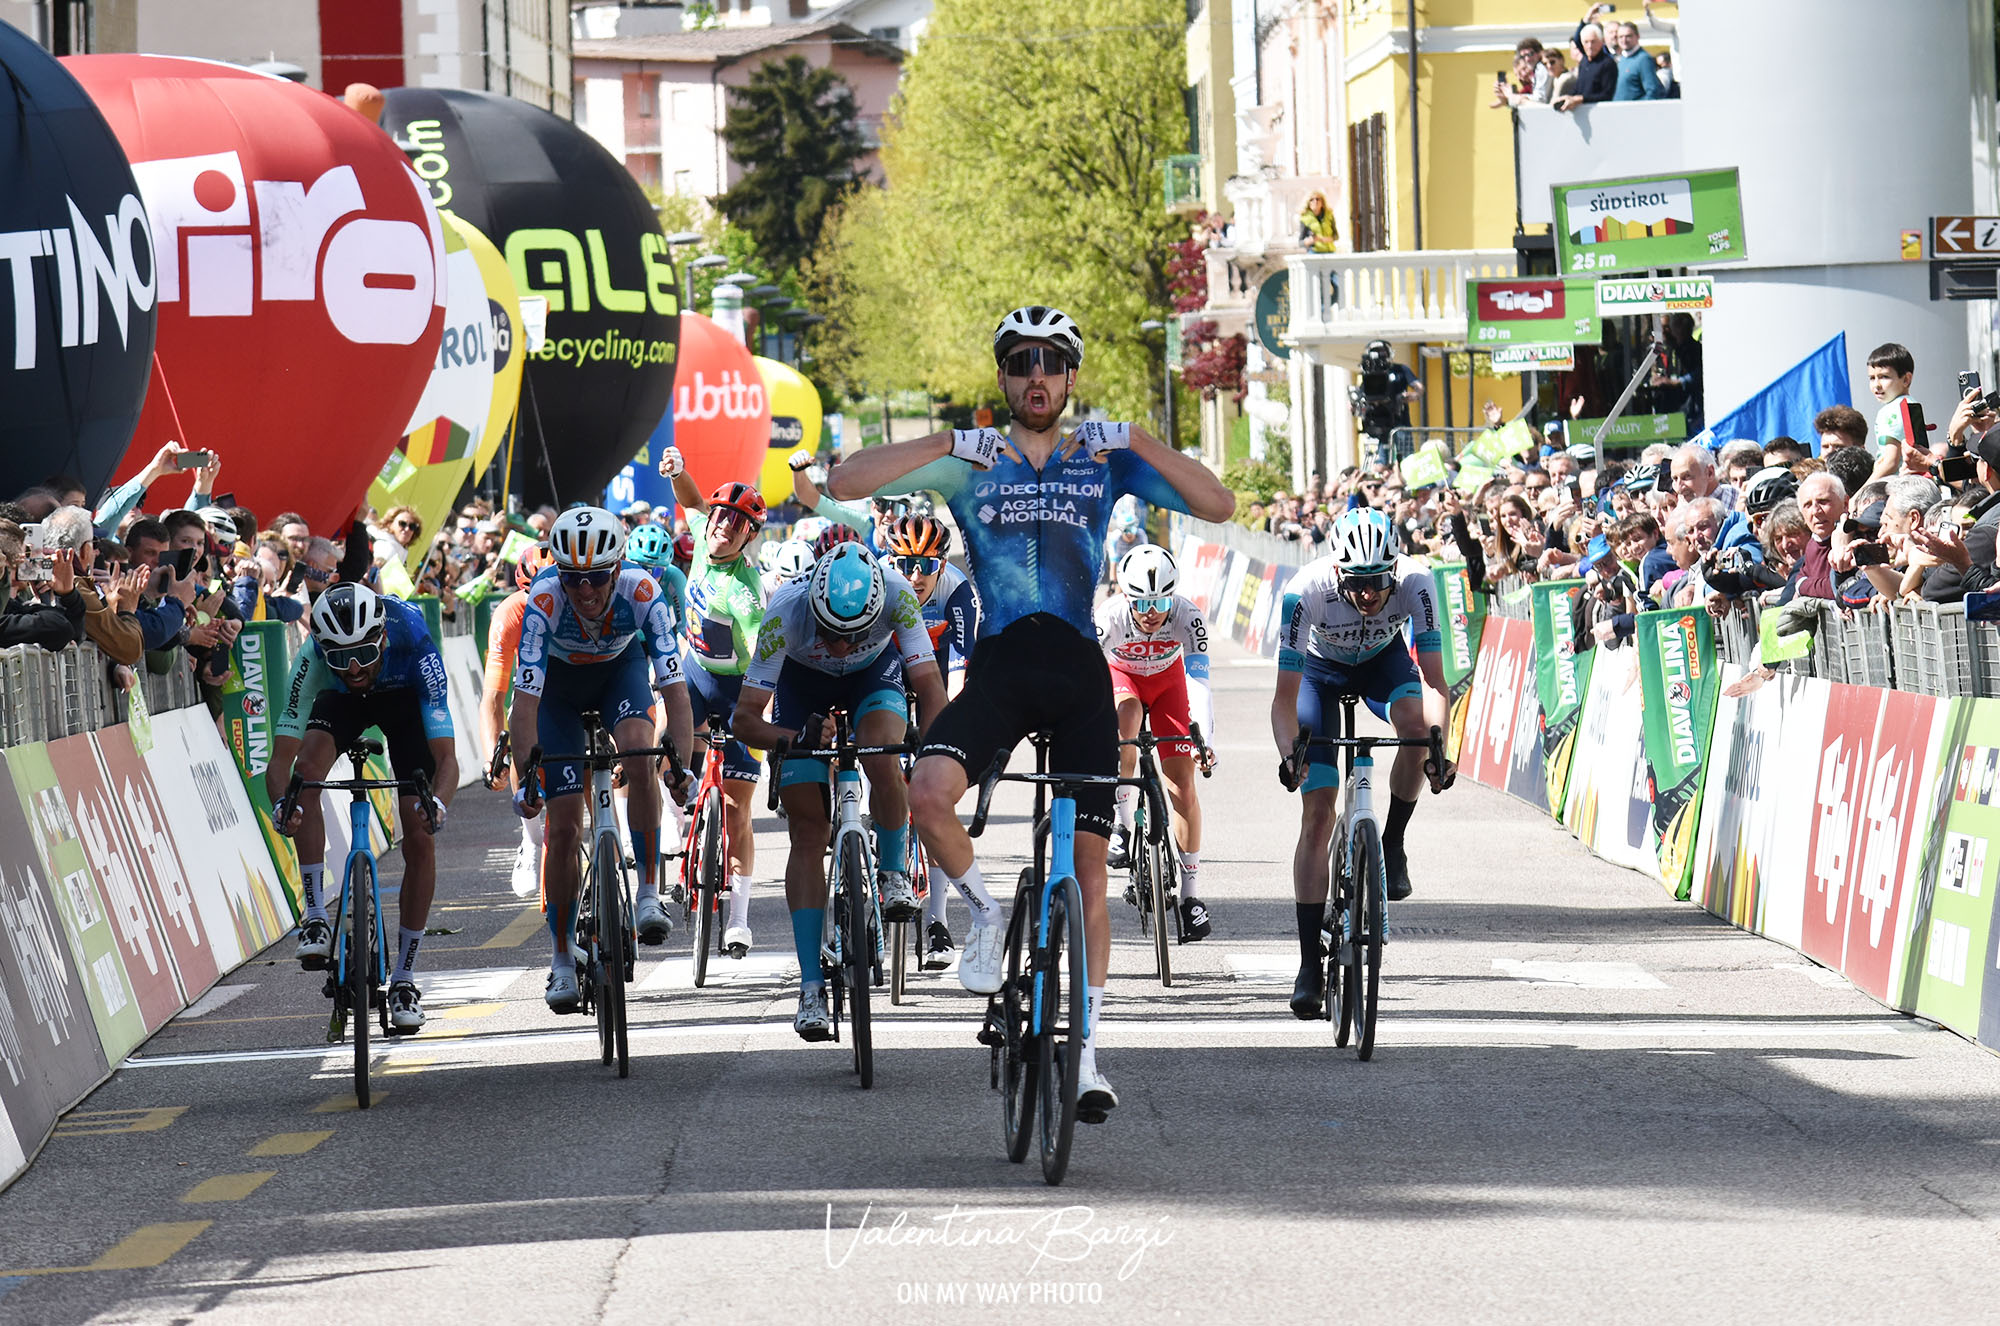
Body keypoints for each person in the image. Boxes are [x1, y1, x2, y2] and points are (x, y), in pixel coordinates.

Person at [827, 303, 1235, 1119]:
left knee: (1087, 871)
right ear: (1004, 376)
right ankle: (983, 916)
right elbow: (843, 482)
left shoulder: (1100, 459)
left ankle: (1086, 1053)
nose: (1036, 376)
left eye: (1051, 362)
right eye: (1020, 363)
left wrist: (1140, 442)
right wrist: (947, 443)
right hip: (1004, 667)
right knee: (929, 795)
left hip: (1081, 670)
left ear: (1072, 375)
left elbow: (1218, 504)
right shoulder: (971, 462)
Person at [729, 542, 947, 1040]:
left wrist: (938, 757)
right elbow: (744, 719)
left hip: (874, 679)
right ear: (814, 609)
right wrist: (797, 738)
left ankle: (892, 874)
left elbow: (931, 687)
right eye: (833, 633)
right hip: (801, 687)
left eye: (856, 634)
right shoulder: (784, 611)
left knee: (884, 751)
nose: (844, 646)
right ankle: (809, 987)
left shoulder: (897, 594)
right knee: (808, 831)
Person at [507, 507, 693, 1013]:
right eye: (573, 577)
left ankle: (650, 892)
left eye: (595, 577)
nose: (584, 590)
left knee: (638, 752)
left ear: (617, 569)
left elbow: (676, 692)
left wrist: (680, 765)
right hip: (559, 693)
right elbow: (523, 705)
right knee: (563, 825)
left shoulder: (643, 592)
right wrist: (525, 779)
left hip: (620, 675)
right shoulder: (545, 598)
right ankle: (562, 957)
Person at [1273, 508, 1454, 1020]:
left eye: (1378, 583)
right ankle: (1310, 964)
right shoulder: (1304, 589)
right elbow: (1284, 698)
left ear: (1393, 570)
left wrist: (1439, 746)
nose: (1369, 595)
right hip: (1319, 676)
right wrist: (1291, 754)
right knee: (1316, 816)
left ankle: (1391, 841)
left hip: (1383, 664)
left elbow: (1436, 682)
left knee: (1417, 730)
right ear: (1337, 571)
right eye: (1358, 584)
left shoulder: (1417, 581)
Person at [268, 584, 456, 1032]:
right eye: (339, 658)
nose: (352, 667)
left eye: (363, 654)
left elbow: (447, 759)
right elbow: (279, 763)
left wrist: (438, 806)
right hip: (340, 708)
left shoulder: (412, 638)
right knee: (306, 773)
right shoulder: (314, 656)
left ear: (382, 639)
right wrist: (284, 806)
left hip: (404, 701)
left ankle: (405, 979)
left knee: (419, 833)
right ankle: (314, 916)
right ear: (323, 649)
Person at [657, 452, 769, 959]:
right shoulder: (705, 535)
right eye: (721, 516)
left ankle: (739, 919)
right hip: (696, 674)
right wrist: (678, 471)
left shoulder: (746, 595)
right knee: (667, 753)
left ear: (749, 536)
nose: (722, 524)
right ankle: (680, 805)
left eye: (737, 522)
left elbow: (768, 661)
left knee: (737, 807)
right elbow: (694, 501)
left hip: (742, 689)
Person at [1096, 544, 1217, 941]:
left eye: (1161, 600)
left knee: (1182, 785)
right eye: (1142, 603)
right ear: (1126, 597)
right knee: (1125, 720)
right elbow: (1088, 677)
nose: (1152, 612)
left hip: (1169, 684)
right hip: (1123, 679)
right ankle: (1122, 824)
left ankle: (1191, 896)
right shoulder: (1108, 616)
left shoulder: (1187, 615)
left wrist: (1203, 737)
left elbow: (1198, 680)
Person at [879, 512, 982, 968]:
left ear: (942, 562)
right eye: (905, 564)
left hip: (937, 675)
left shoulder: (956, 588)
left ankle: (938, 920)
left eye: (925, 564)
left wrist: (954, 722)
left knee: (936, 793)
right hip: (889, 670)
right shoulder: (880, 578)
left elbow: (961, 660)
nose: (915, 575)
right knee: (884, 762)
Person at [481, 546, 555, 898]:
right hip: (534, 693)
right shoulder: (510, 613)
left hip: (576, 683)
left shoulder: (579, 600)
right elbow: (493, 696)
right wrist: (492, 755)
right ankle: (530, 838)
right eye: (533, 594)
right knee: (514, 731)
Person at [1866, 342, 1916, 479]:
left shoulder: (1891, 411)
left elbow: (1891, 462)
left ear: (1906, 379)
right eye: (1872, 378)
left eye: (1884, 377)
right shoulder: (1911, 403)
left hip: (1895, 485)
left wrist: (1861, 493)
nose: (1876, 385)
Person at [1554, 21, 1617, 110]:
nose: (1590, 46)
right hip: (1582, 112)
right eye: (1586, 42)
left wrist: (1581, 99)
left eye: (1593, 42)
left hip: (1600, 112)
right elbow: (1578, 88)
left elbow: (1606, 95)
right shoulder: (1584, 61)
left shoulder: (1608, 63)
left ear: (1601, 42)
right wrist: (1567, 97)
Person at [1611, 21, 1665, 100]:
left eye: (1628, 36)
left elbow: (1653, 91)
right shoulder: (1621, 59)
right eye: (1621, 37)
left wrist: (1637, 109)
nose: (1624, 40)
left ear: (1637, 36)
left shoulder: (1643, 59)